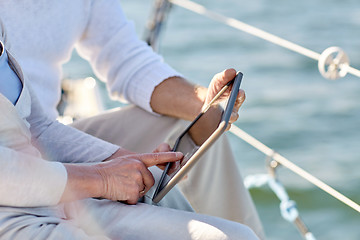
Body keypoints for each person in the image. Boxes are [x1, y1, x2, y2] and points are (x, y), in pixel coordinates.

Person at [0, 0, 265, 238]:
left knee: (193, 126)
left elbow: (122, 56)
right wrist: (102, 178)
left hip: (40, 141)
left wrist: (204, 103)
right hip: (16, 186)